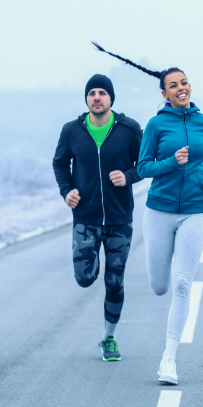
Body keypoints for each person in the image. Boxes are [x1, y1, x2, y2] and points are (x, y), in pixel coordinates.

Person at [93, 43, 203, 384]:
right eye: (174, 85)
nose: (182, 88)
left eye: (185, 83)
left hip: (194, 210)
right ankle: (165, 329)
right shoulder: (155, 125)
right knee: (161, 285)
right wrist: (172, 162)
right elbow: (145, 167)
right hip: (159, 212)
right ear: (164, 93)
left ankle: (169, 359)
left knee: (182, 284)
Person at [52, 74, 143, 361]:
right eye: (92, 93)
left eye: (102, 92)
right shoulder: (72, 131)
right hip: (85, 217)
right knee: (85, 278)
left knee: (115, 280)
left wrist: (127, 176)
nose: (97, 97)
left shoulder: (129, 129)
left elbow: (145, 164)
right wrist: (66, 191)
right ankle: (91, 278)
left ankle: (109, 337)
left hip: (119, 218)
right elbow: (59, 163)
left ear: (111, 98)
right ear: (86, 99)